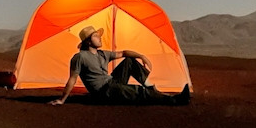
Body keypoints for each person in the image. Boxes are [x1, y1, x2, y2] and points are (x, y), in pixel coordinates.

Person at [49, 25, 191, 106]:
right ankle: (175, 100)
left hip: (112, 82)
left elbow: (123, 53)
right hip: (104, 92)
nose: (100, 38)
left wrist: (141, 56)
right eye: (96, 36)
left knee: (129, 61)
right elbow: (72, 79)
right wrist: (62, 100)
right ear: (88, 41)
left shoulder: (102, 54)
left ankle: (152, 89)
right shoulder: (80, 57)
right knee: (137, 91)